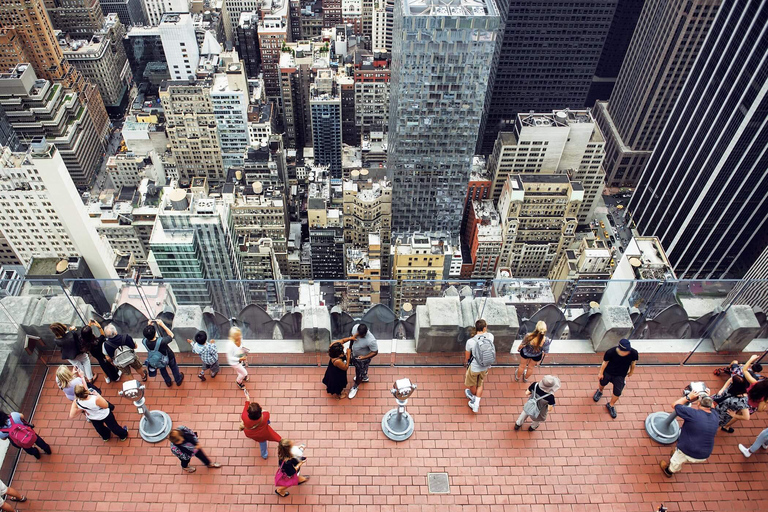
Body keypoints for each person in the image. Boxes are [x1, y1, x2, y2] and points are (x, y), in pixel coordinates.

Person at [659, 391, 719, 477]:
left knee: (676, 461)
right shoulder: (715, 415)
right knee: (682, 455)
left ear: (698, 403)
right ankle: (677, 455)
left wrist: (688, 397)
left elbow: (675, 405)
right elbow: (712, 406)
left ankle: (669, 471)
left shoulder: (693, 414)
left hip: (688, 450)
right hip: (705, 453)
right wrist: (707, 397)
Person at [592, 338, 638, 418]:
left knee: (617, 392)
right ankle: (600, 391)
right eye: (625, 351)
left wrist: (631, 371)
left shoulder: (633, 353)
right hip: (608, 372)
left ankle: (611, 405)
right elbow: (605, 362)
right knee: (602, 383)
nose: (628, 352)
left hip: (620, 375)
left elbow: (633, 363)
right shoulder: (611, 352)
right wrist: (601, 373)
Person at [340, 323, 378, 400]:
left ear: (365, 333)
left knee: (359, 373)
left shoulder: (371, 340)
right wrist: (350, 349)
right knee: (360, 369)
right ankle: (364, 377)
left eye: (360, 335)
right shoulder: (355, 328)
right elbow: (352, 338)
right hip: (354, 355)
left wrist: (364, 357)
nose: (358, 336)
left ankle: (355, 386)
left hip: (362, 359)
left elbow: (375, 352)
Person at [464, 319, 495, 413]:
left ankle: (474, 399)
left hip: (474, 367)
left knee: (472, 384)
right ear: (485, 328)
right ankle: (476, 403)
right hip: (485, 365)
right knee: (480, 383)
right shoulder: (490, 337)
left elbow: (467, 357)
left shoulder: (470, 342)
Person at [240, 389, 281, 459]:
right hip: (262, 433)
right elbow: (266, 412)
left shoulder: (244, 416)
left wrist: (247, 399)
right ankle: (264, 454)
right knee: (263, 439)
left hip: (250, 433)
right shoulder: (265, 416)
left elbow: (246, 406)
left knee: (262, 443)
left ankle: (264, 455)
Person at [142, 319, 184, 387]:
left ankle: (168, 382)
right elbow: (171, 335)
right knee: (173, 367)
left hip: (158, 360)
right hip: (168, 356)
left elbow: (148, 335)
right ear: (155, 333)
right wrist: (162, 324)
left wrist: (148, 327)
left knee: (162, 369)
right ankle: (178, 379)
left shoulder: (144, 341)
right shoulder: (161, 341)